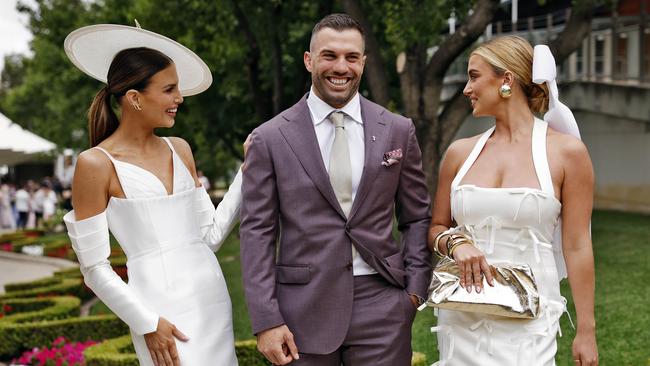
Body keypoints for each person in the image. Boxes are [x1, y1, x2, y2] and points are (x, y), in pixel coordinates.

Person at [240, 13, 431, 366]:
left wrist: (415, 291)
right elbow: (257, 233)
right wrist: (266, 320)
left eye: (351, 57)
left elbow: (417, 216)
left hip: (383, 303)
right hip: (301, 310)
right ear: (309, 60)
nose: (340, 66)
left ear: (363, 62)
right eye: (329, 55)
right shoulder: (269, 138)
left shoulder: (397, 130)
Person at [62, 24, 246, 366]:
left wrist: (247, 172)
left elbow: (211, 236)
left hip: (212, 298)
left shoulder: (180, 149)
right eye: (169, 89)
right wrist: (145, 321)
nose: (179, 98)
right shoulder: (95, 164)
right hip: (159, 311)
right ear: (134, 98)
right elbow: (94, 268)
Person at [428, 35, 598, 365]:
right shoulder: (458, 153)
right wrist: (456, 243)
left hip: (530, 323)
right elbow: (435, 226)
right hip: (463, 317)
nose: (466, 88)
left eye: (474, 76)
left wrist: (587, 331)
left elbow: (578, 245)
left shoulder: (567, 153)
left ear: (506, 79)